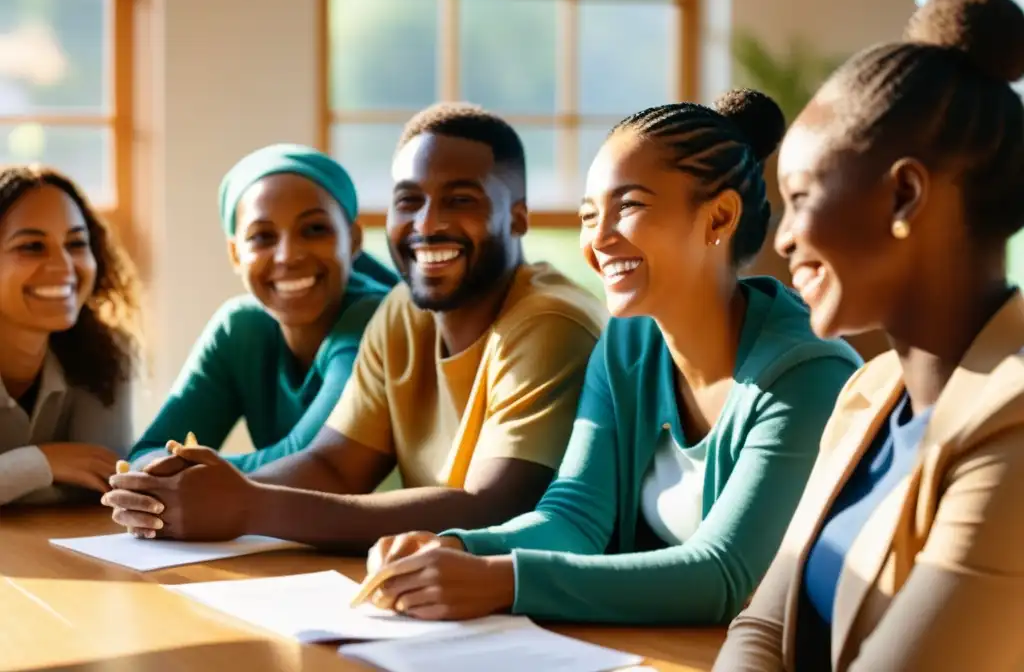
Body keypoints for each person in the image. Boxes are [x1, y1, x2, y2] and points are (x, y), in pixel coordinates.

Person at [362, 90, 862, 625]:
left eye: (629, 206)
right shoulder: (628, 344)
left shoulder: (808, 374)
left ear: (719, 219)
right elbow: (574, 515)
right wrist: (454, 548)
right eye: (587, 215)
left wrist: (503, 580)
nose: (598, 239)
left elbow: (722, 574)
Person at [102, 103, 607, 547]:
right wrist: (196, 494)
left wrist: (249, 507)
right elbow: (334, 465)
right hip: (441, 583)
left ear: (518, 218)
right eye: (409, 200)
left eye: (460, 199)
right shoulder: (403, 311)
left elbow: (493, 506)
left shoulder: (549, 320)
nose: (427, 224)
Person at [713, 0, 1024, 671]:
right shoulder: (870, 391)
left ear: (904, 195)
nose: (785, 239)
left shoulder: (1015, 426)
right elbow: (762, 626)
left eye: (799, 199)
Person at [126, 144, 398, 473]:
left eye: (314, 229)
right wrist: (157, 470)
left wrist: (179, 472)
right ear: (235, 255)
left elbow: (309, 463)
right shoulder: (241, 329)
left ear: (353, 240)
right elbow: (145, 455)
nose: (288, 256)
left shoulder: (378, 318)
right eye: (262, 237)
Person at [0, 166, 140, 506]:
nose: (64, 266)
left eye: (76, 243)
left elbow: (104, 485)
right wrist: (44, 462)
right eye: (32, 246)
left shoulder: (108, 353)